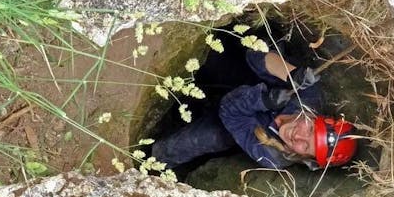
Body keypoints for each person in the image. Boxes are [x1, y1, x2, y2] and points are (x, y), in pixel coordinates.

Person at [150, 43, 358, 172]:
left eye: (306, 147)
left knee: (204, 139)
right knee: (211, 59)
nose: (299, 137)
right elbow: (256, 54)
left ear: (306, 158)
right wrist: (290, 75)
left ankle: (151, 161)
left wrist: (264, 101)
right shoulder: (309, 94)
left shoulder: (273, 156)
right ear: (314, 117)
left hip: (233, 120)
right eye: (310, 130)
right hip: (243, 74)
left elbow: (230, 111)